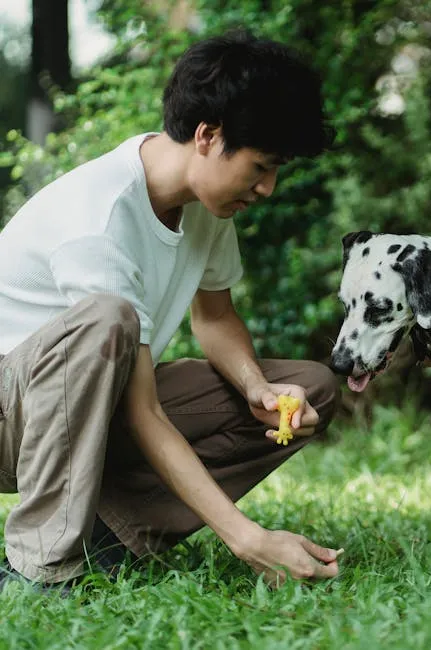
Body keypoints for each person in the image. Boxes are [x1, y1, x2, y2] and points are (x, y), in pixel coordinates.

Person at [0, 30, 342, 592]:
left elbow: (215, 319)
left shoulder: (204, 204)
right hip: (15, 421)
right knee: (108, 320)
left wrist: (257, 387)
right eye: (261, 167)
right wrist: (247, 538)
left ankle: (105, 539)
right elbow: (145, 414)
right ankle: (37, 567)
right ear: (208, 135)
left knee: (309, 386)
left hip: (89, 408)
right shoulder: (100, 217)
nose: (268, 188)